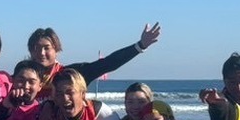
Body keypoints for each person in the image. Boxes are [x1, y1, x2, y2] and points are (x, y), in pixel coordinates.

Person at [27, 24, 161, 96]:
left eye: (46, 48)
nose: (41, 53)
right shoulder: (21, 78)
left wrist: (140, 46)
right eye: (36, 48)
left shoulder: (72, 74)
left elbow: (108, 63)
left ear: (56, 49)